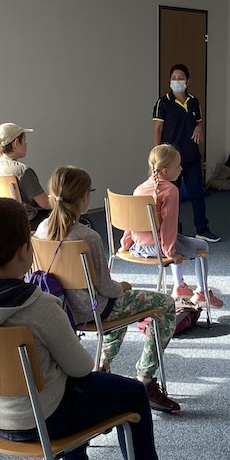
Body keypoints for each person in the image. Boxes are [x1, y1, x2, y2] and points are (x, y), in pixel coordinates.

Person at [0, 197, 183, 460]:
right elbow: (81, 368)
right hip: (40, 420)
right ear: (24, 252)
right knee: (132, 393)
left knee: (62, 380)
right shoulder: (38, 306)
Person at [37, 166, 179, 413]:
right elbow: (106, 288)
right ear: (84, 197)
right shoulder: (88, 236)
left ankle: (102, 367)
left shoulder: (41, 230)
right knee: (165, 303)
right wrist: (123, 286)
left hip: (61, 310)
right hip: (95, 311)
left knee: (122, 305)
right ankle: (145, 378)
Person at [123, 144, 223, 308]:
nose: (181, 168)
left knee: (178, 240)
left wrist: (126, 243)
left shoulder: (139, 189)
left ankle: (180, 286)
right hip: (158, 248)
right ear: (164, 171)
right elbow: (168, 226)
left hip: (138, 247)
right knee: (202, 245)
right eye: (178, 165)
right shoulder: (170, 190)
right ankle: (201, 292)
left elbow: (130, 222)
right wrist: (170, 253)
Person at [152, 63, 219, 242]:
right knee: (170, 196)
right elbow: (157, 129)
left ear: (187, 81)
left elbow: (198, 121)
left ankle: (202, 229)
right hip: (170, 160)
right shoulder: (162, 103)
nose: (177, 81)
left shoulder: (194, 101)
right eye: (174, 78)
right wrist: (157, 155)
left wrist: (199, 127)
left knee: (197, 193)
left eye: (180, 78)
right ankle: (172, 230)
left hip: (191, 156)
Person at [0, 122, 50, 229]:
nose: (26, 144)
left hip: (6, 222)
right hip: (29, 222)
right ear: (16, 143)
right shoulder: (22, 171)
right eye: (24, 140)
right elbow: (46, 203)